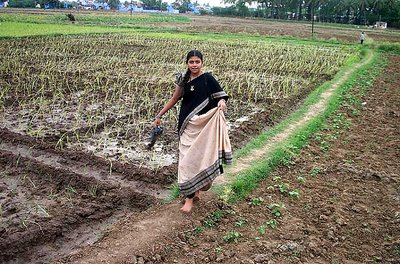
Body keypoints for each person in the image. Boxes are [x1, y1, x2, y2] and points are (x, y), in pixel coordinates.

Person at [153, 50, 232, 213]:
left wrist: (222, 103)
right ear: (187, 63)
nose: (194, 65)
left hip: (204, 126)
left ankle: (193, 194)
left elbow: (221, 97)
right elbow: (175, 99)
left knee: (200, 159)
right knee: (186, 162)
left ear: (202, 63)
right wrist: (159, 115)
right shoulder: (183, 81)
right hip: (187, 125)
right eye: (191, 62)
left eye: (197, 62)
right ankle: (190, 196)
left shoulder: (208, 79)